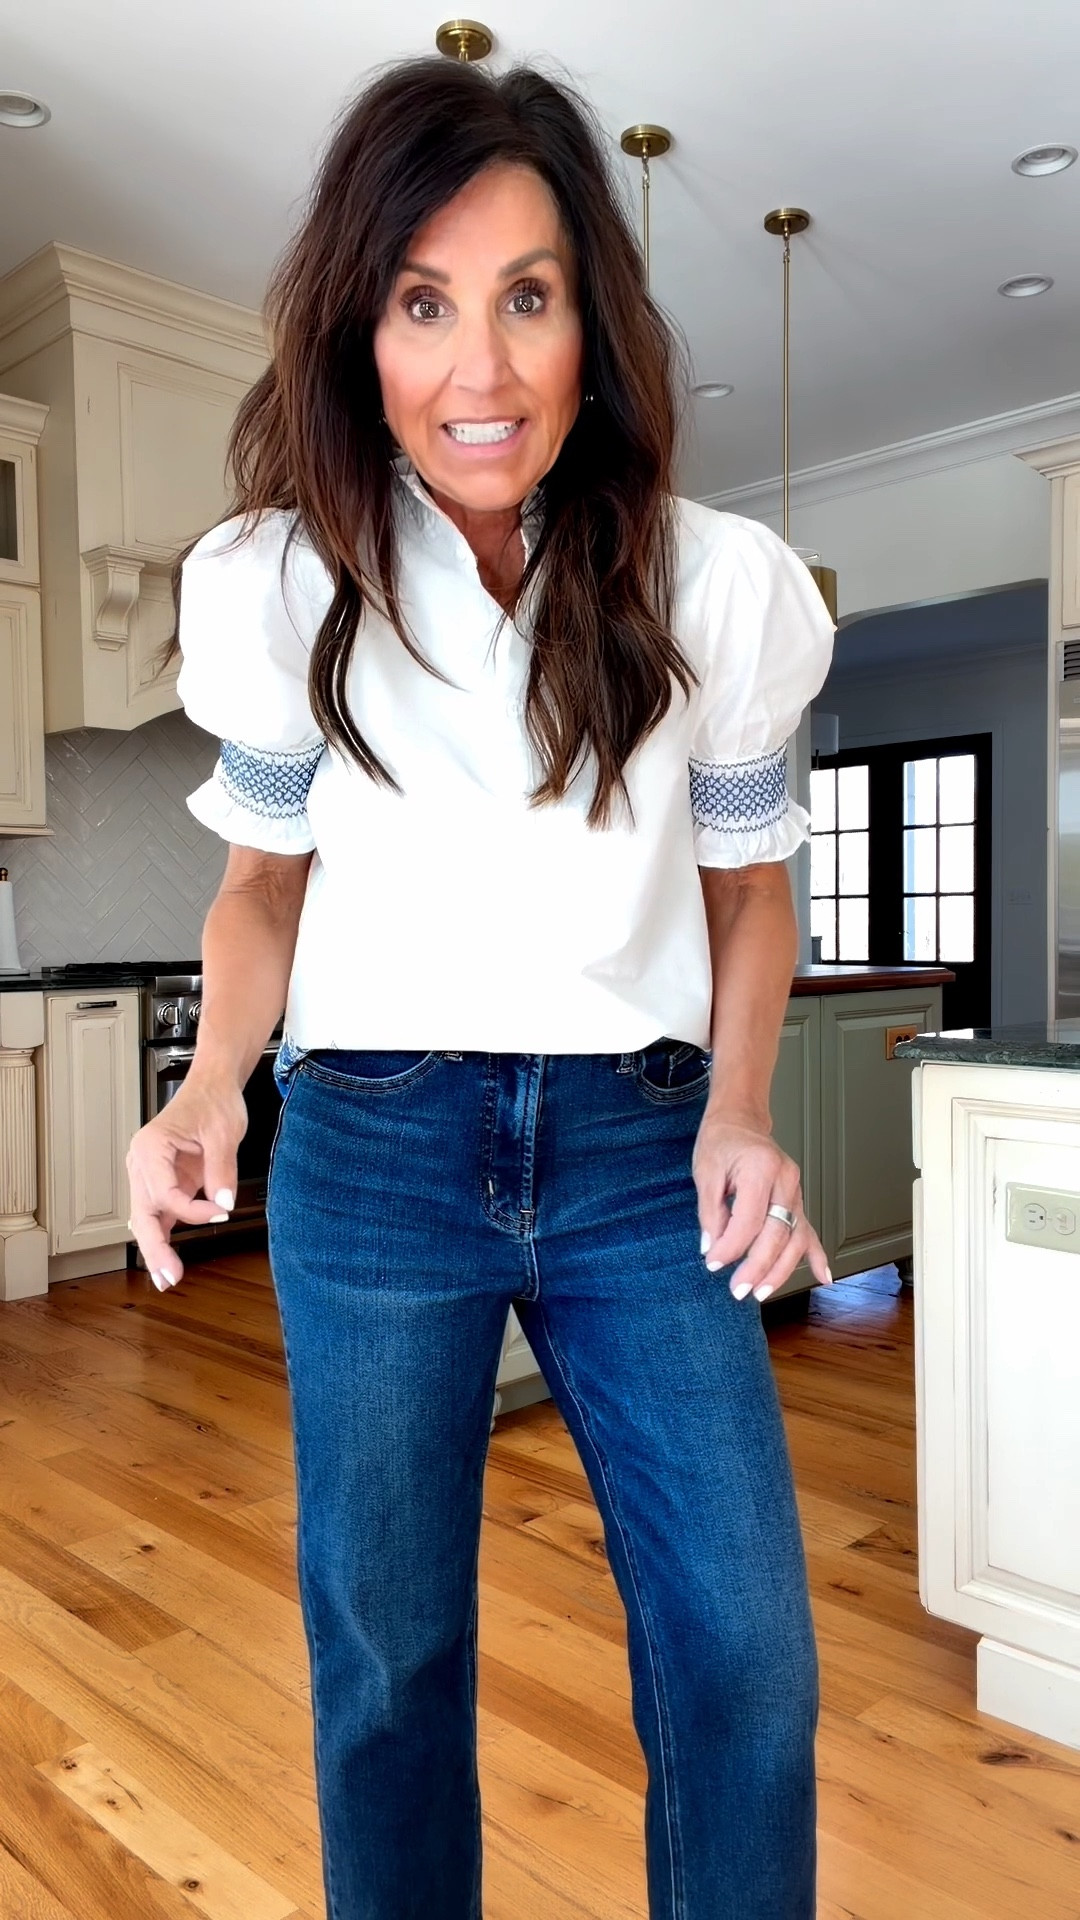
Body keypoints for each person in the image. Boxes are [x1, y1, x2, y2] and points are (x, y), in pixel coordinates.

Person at [126, 53, 835, 1920]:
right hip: (373, 1155)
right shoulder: (280, 584)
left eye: (528, 296)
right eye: (422, 304)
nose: (482, 369)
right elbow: (261, 888)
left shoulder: (716, 585)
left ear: (594, 322)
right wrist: (209, 1085)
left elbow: (750, 897)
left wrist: (743, 1108)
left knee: (747, 1656)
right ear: (360, 337)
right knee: (386, 1669)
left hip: (642, 1154)